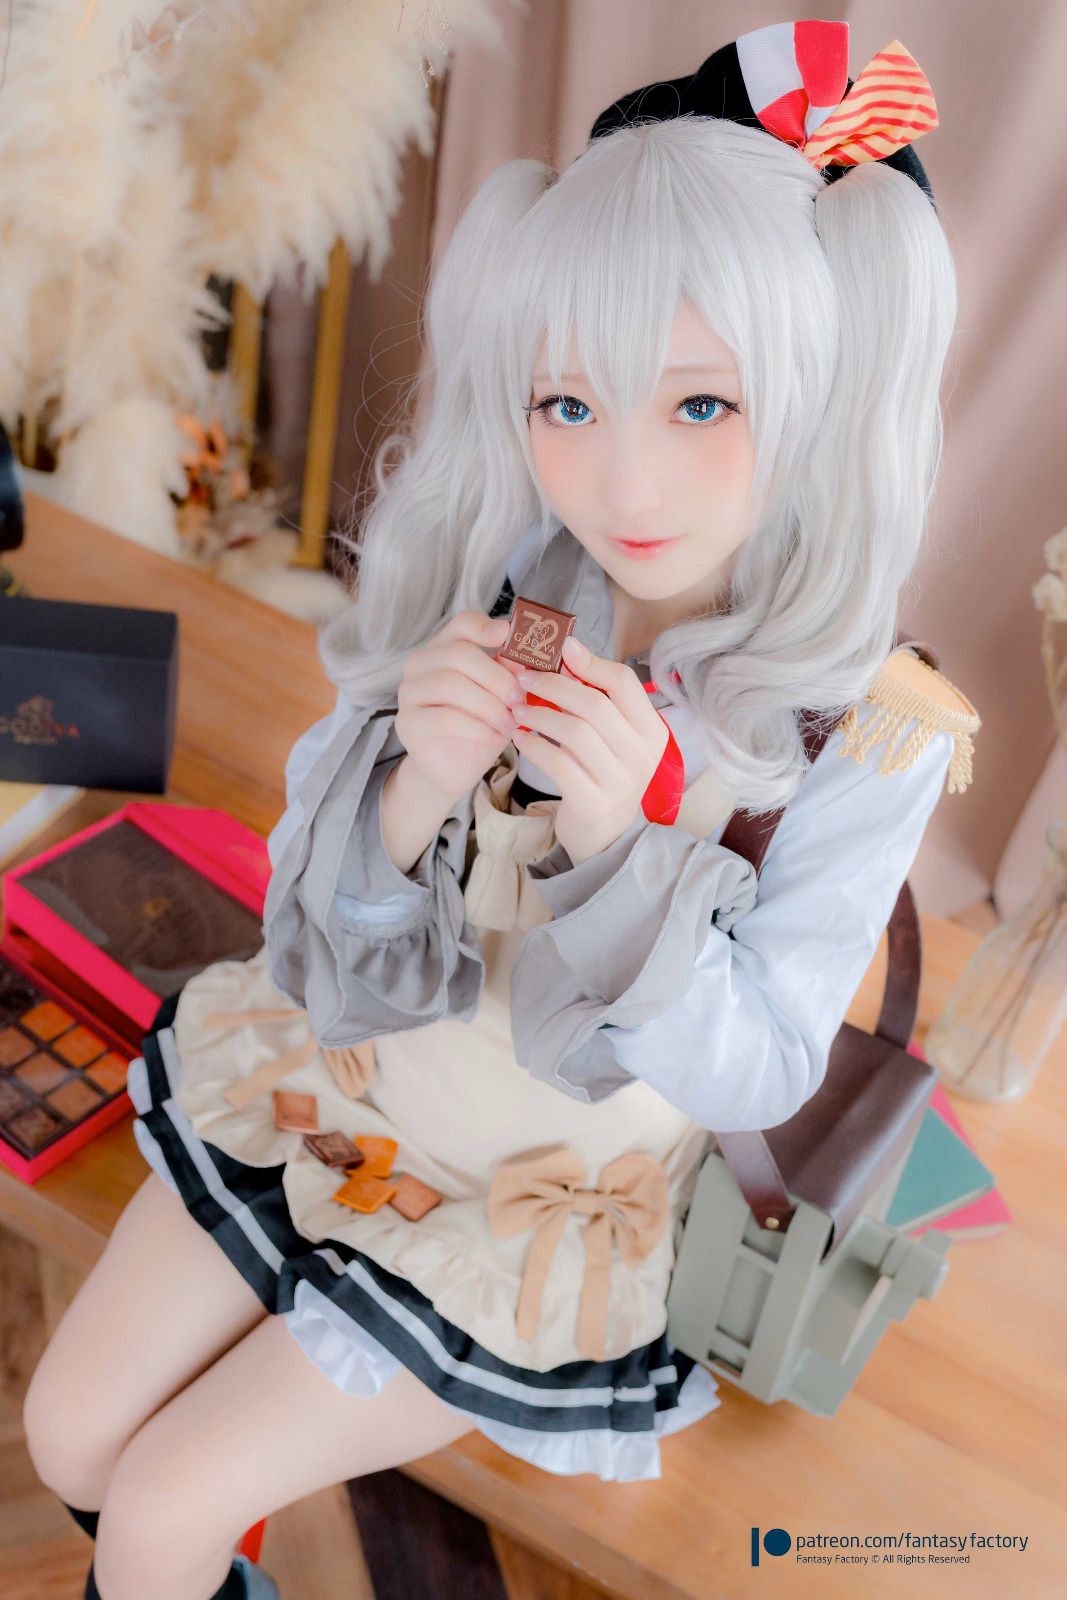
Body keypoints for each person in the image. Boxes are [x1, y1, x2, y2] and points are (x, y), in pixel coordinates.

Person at [22, 19, 980, 1600]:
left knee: (161, 1515)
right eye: (568, 404)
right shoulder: (514, 569)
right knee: (69, 1440)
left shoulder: (867, 728)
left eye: (701, 406)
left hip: (528, 1199)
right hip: (337, 1077)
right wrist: (412, 788)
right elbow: (313, 911)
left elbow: (762, 1066)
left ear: (823, 390)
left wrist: (618, 857)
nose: (621, 485)